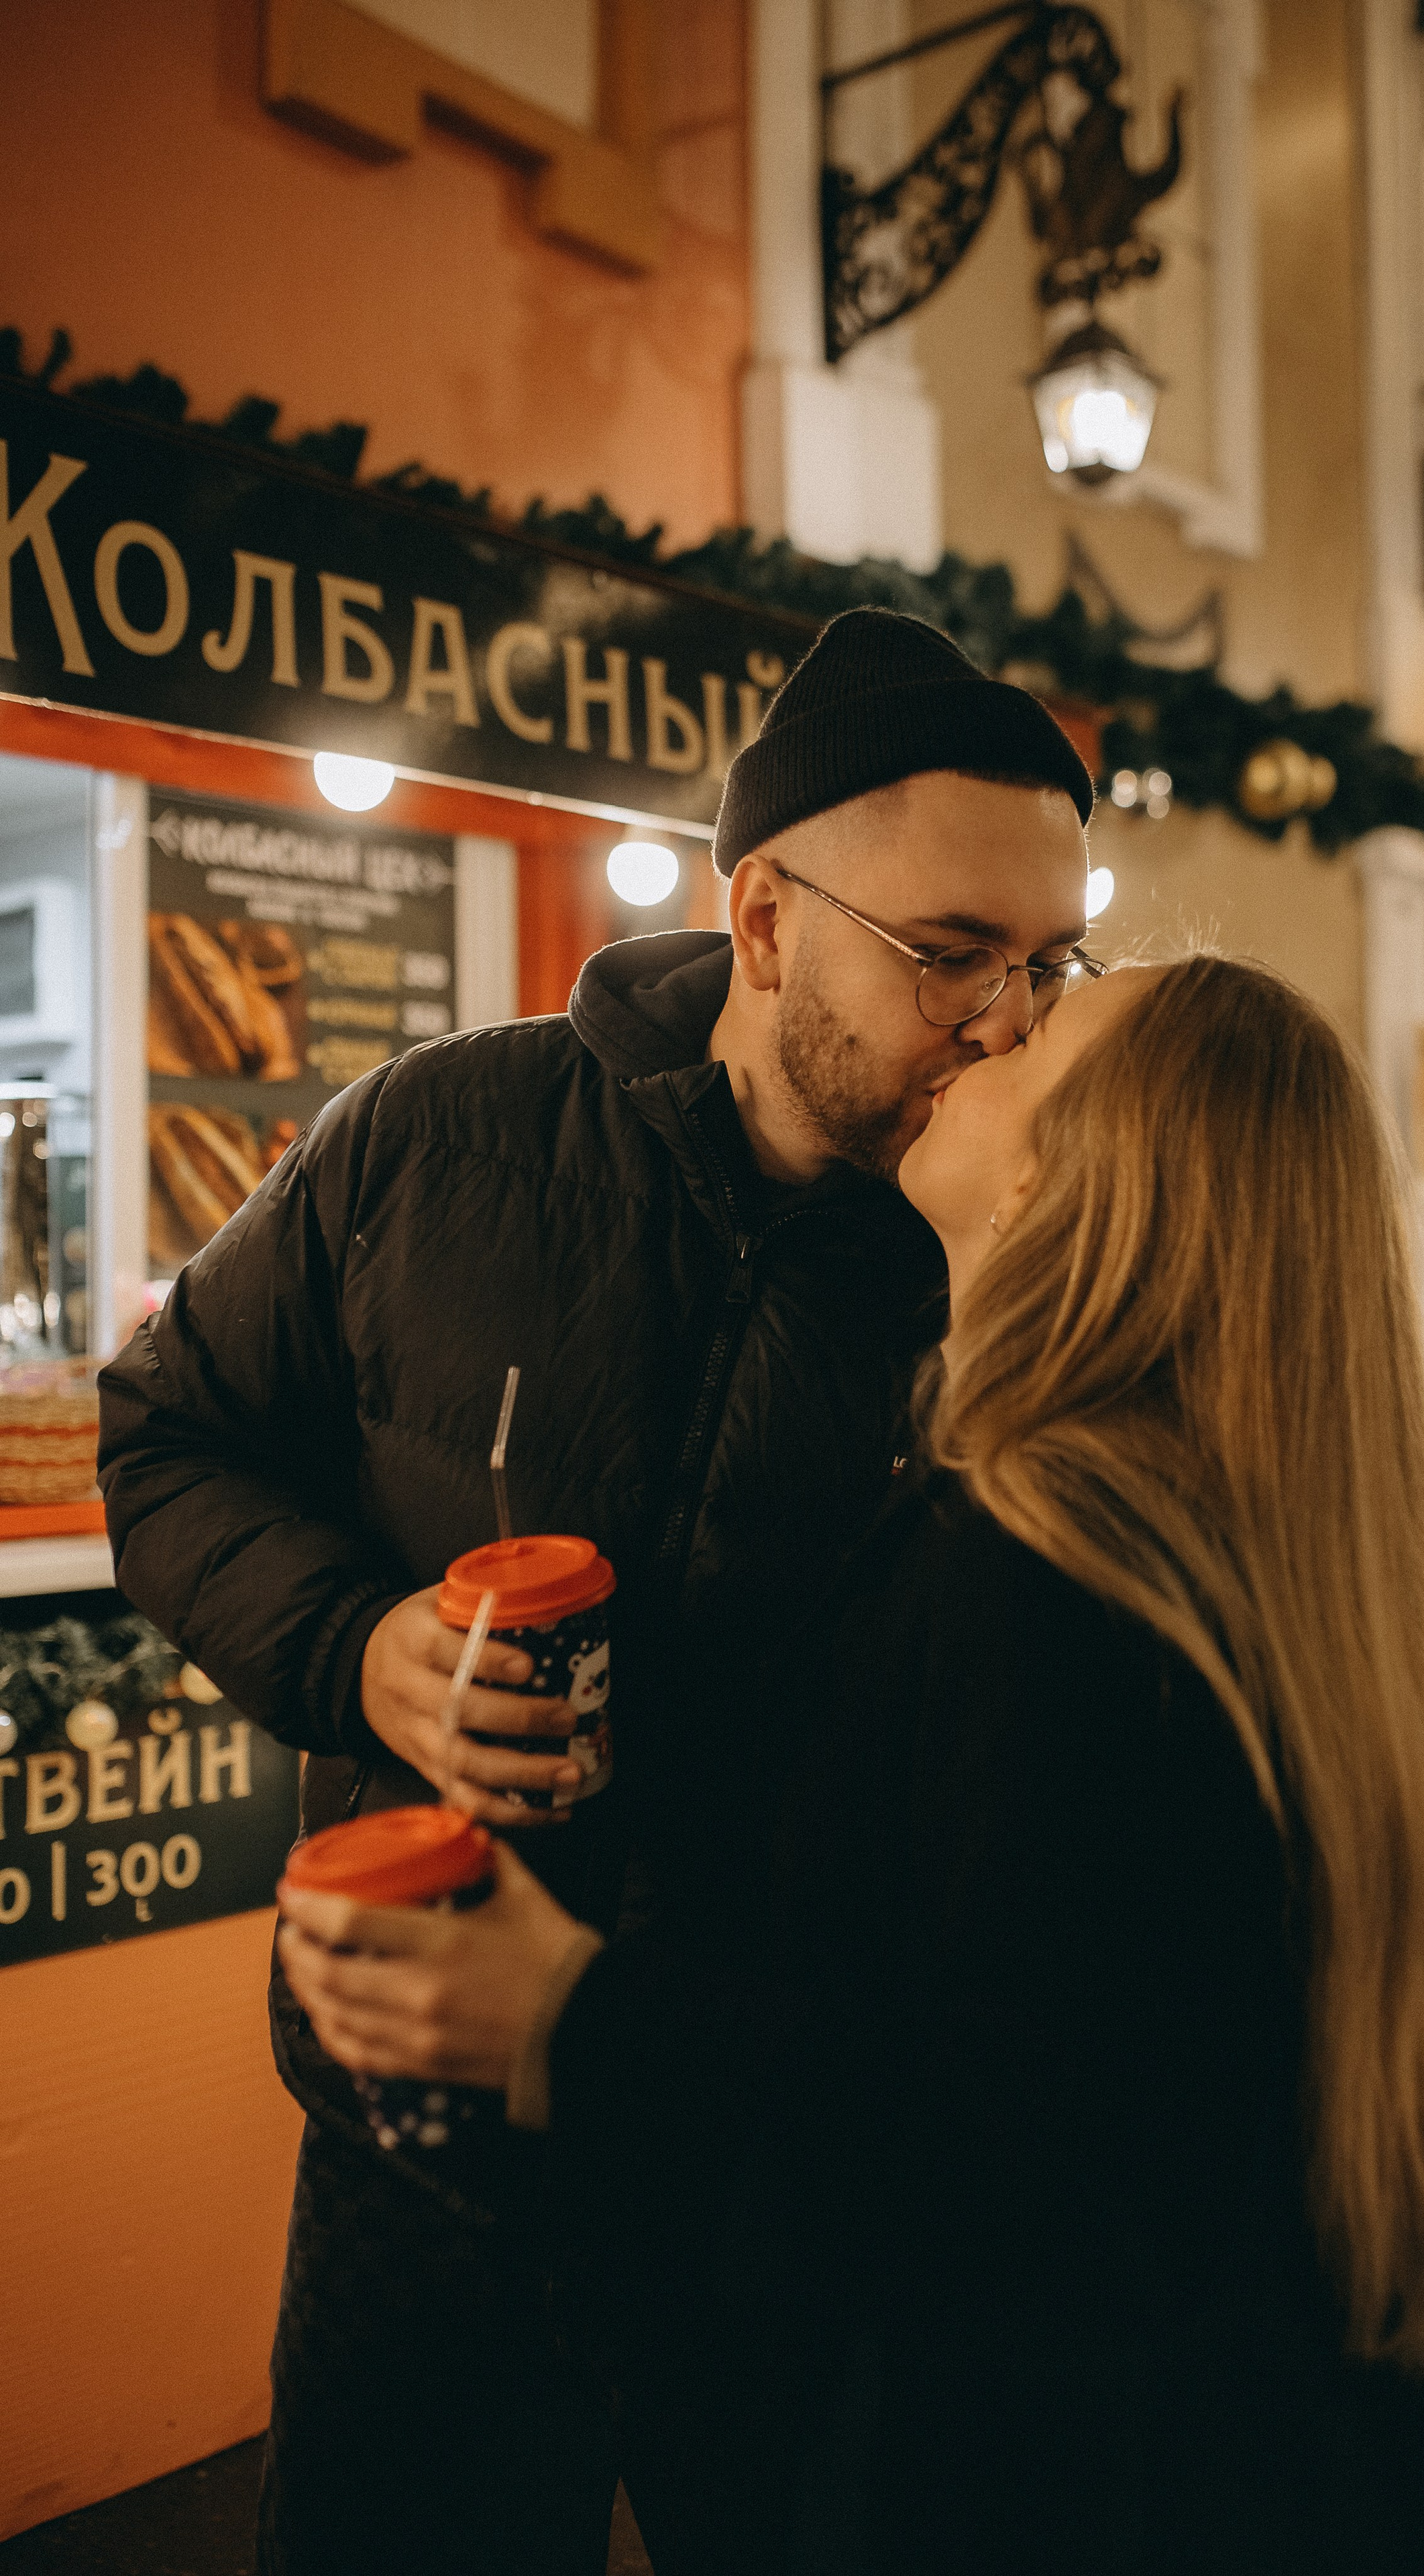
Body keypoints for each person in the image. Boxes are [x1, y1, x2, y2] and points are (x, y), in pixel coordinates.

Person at [279, 953, 1424, 2576]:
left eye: (1039, 1030)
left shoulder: (1044, 1575)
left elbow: (1006, 2173)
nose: (987, 1026)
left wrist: (563, 2013)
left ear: (1069, 1180)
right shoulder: (1210, 1551)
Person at [95, 605, 1097, 2576]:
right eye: (952, 953)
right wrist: (356, 1648)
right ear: (766, 920)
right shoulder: (435, 1136)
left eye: (1048, 962)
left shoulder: (1006, 1242)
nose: (1007, 1022)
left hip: (785, 2157)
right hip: (428, 2125)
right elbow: (168, 1433)